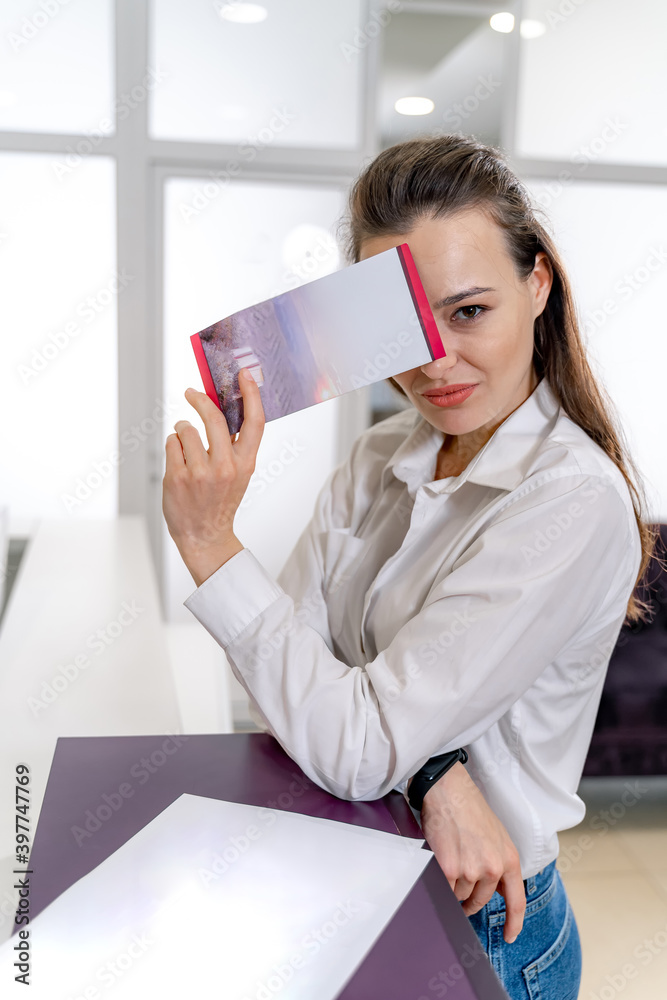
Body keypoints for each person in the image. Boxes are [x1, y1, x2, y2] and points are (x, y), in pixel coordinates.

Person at [162, 135, 656, 1000]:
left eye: (469, 312)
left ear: (537, 285)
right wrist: (434, 771)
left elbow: (350, 741)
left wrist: (211, 546)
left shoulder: (569, 502)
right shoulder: (383, 452)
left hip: (485, 929)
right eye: (407, 326)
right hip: (356, 868)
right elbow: (286, 694)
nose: (433, 362)